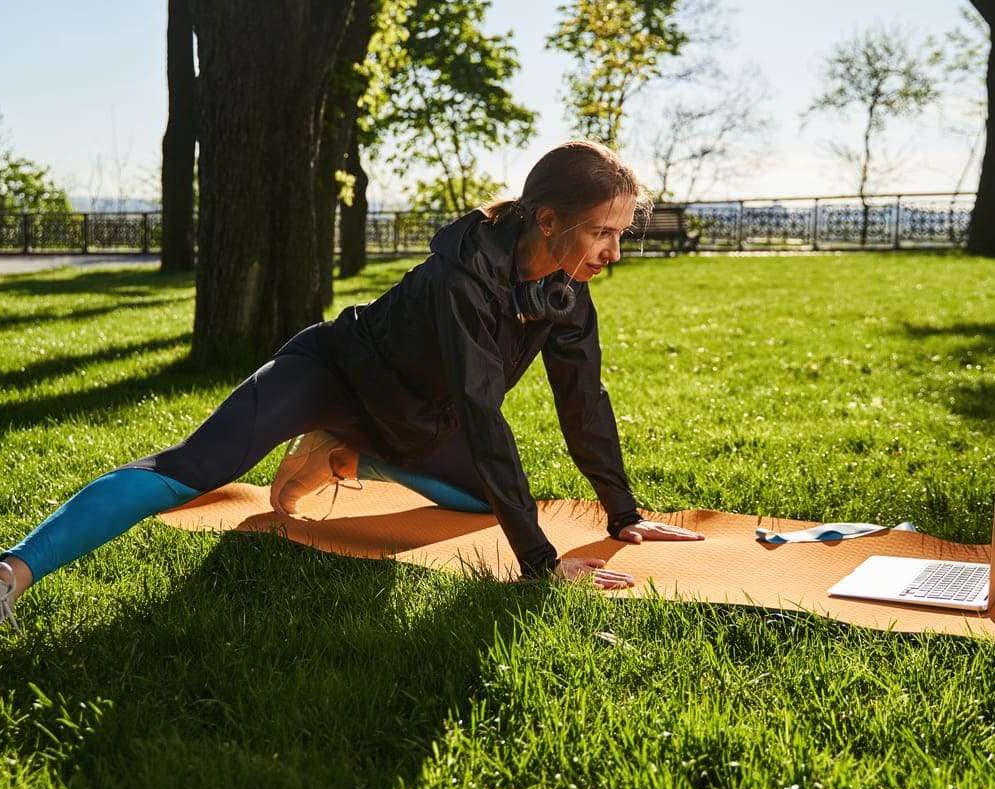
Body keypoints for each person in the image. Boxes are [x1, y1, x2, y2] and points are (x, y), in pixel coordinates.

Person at [0, 140, 702, 633]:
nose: (615, 252)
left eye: (621, 233)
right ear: (547, 220)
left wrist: (621, 513)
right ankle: (14, 571)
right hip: (331, 375)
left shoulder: (566, 293)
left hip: (412, 419)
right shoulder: (464, 276)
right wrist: (542, 565)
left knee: (492, 503)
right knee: (193, 467)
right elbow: (482, 414)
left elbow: (583, 403)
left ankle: (343, 452)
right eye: (603, 232)